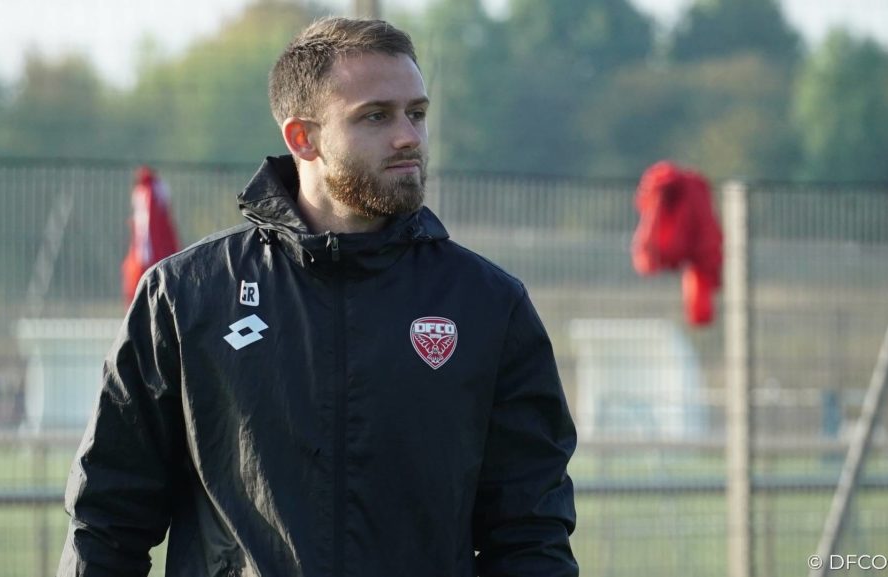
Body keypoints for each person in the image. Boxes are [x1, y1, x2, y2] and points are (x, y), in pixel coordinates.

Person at [58, 17, 578, 577]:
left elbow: (531, 535)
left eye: (417, 113)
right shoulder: (187, 295)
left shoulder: (488, 305)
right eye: (376, 115)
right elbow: (107, 520)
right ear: (302, 138)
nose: (408, 136)